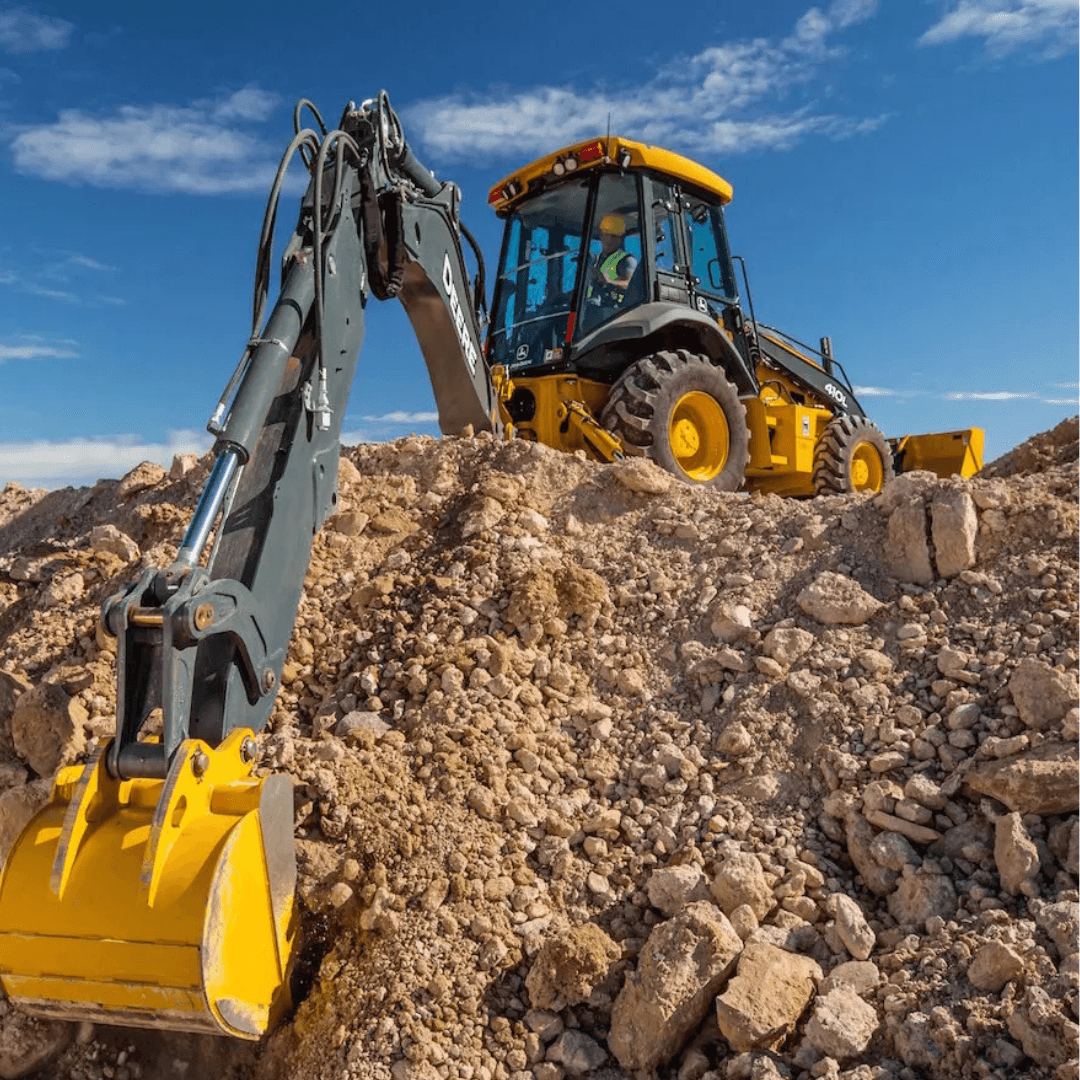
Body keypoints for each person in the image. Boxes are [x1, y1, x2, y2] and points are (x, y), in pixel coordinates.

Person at [588, 213, 638, 308]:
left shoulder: (627, 260)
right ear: (601, 236)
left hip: (614, 310)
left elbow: (631, 285)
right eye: (606, 235)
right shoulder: (595, 260)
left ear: (620, 238)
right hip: (593, 306)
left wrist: (609, 281)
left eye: (614, 236)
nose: (609, 239)